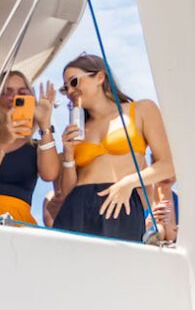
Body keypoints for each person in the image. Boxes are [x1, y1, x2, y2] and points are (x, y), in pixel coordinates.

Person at [46, 52, 176, 244]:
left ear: (100, 77)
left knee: (119, 270)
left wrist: (129, 183)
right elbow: (66, 190)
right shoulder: (79, 129)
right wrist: (68, 153)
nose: (70, 91)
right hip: (76, 207)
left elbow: (168, 166)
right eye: (65, 88)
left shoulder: (141, 110)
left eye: (74, 82)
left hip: (121, 203)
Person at [0, 69, 61, 224]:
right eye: (7, 92)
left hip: (19, 224)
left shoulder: (36, 147)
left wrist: (45, 124)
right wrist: (1, 142)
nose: (15, 97)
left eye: (22, 92)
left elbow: (50, 174)